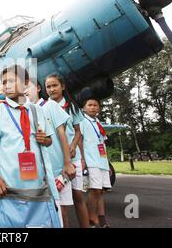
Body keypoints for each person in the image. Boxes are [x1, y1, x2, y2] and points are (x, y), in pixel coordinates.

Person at [0, 65, 60, 226]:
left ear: (26, 83)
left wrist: (44, 139)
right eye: (4, 82)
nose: (7, 85)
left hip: (36, 186)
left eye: (11, 80)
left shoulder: (36, 110)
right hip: (9, 185)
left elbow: (48, 140)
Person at [24, 78, 76, 227]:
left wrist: (67, 163)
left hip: (58, 170)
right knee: (42, 215)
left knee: (61, 211)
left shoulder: (50, 105)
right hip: (38, 173)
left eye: (28, 86)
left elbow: (62, 134)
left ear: (39, 88)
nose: (25, 90)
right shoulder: (24, 112)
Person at [44, 74, 90, 228]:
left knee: (78, 196)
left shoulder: (72, 107)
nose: (51, 89)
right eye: (48, 87)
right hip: (57, 161)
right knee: (61, 202)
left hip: (73, 157)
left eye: (54, 85)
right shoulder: (44, 108)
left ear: (62, 86)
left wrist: (73, 146)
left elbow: (78, 131)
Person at [80, 97, 111, 228]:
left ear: (99, 108)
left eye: (95, 105)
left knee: (101, 191)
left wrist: (107, 163)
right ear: (84, 108)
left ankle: (102, 219)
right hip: (91, 160)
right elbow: (80, 140)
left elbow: (102, 144)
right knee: (95, 190)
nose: (93, 107)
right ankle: (91, 218)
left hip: (101, 161)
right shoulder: (82, 121)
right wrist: (83, 159)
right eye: (90, 105)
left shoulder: (98, 122)